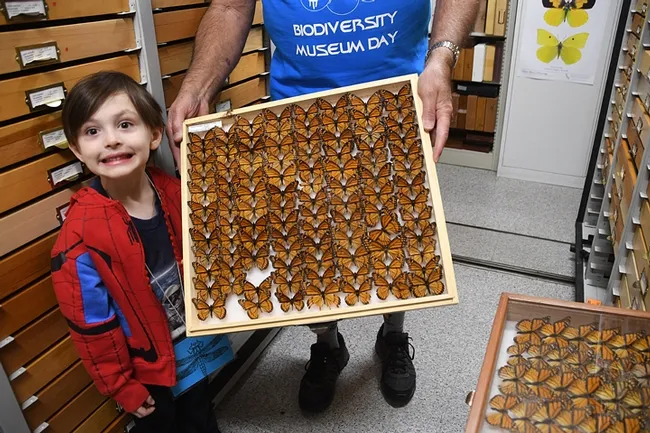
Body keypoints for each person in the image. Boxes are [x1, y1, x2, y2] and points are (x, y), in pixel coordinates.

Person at [167, 0, 478, 413]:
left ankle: (393, 335)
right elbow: (228, 6)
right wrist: (197, 85)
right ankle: (328, 346)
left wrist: (442, 56)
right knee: (311, 247)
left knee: (399, 236)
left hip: (394, 105)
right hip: (297, 112)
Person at [50, 71, 222, 433]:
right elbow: (91, 325)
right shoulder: (78, 240)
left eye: (125, 124)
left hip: (192, 344)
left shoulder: (174, 191)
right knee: (158, 425)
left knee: (200, 413)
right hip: (146, 371)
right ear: (78, 150)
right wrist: (120, 385)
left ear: (154, 133)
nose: (111, 140)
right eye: (92, 132)